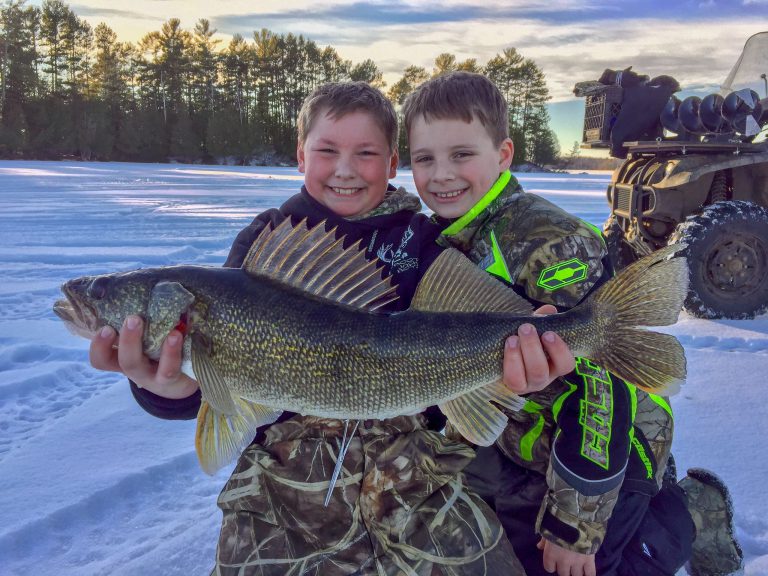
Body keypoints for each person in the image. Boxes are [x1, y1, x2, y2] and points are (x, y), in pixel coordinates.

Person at [88, 81, 576, 575]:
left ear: (391, 165)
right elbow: (217, 388)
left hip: (419, 488)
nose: (344, 169)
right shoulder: (264, 244)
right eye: (327, 150)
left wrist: (528, 364)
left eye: (366, 153)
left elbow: (480, 341)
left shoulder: (423, 243)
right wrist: (167, 387)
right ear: (301, 155)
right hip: (285, 501)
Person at [403, 71, 742, 576]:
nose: (441, 174)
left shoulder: (548, 242)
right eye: (423, 158)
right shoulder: (440, 236)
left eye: (461, 155)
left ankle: (689, 513)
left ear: (503, 154)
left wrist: (573, 529)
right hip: (520, 442)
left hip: (611, 448)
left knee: (578, 566)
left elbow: (606, 391)